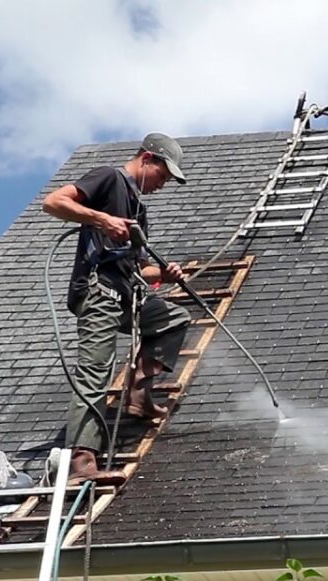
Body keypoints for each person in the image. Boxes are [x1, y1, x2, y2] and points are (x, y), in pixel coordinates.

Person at [43, 132, 191, 459]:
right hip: (99, 293)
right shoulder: (109, 178)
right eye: (162, 176)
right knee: (96, 369)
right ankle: (83, 454)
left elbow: (140, 268)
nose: (162, 184)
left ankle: (139, 395)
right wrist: (101, 218)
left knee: (174, 318)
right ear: (147, 159)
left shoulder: (138, 210)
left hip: (126, 295)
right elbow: (53, 202)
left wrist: (165, 273)